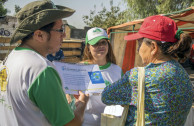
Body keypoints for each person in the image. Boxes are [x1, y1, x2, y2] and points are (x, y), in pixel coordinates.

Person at [0, 0, 89, 126]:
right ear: (39, 35)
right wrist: (83, 103)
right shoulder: (41, 69)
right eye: (60, 29)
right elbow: (70, 124)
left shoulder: (11, 57)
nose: (63, 35)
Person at [101, 15, 193, 126]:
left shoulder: (139, 77)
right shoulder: (184, 76)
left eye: (140, 44)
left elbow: (106, 96)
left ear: (153, 47)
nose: (138, 50)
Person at [81, 27, 123, 126]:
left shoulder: (117, 70)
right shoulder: (80, 69)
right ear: (88, 48)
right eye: (96, 43)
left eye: (103, 42)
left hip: (112, 123)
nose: (101, 46)